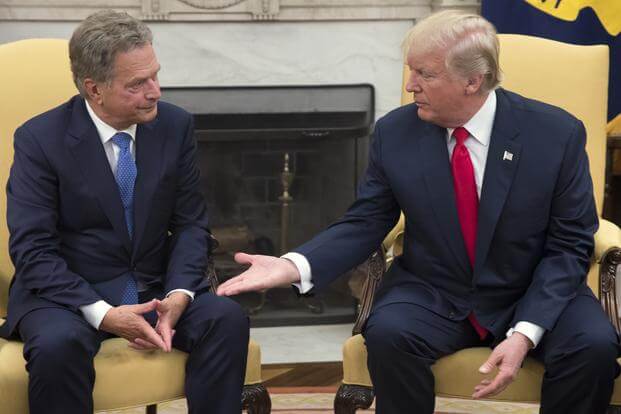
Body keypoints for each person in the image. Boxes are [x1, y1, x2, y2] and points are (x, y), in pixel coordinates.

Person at [217, 10, 620, 414]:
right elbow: (366, 220)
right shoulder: (395, 133)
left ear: (472, 81)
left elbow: (570, 243)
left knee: (594, 347)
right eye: (410, 71)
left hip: (531, 287)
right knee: (390, 334)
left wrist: (525, 332)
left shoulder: (555, 135)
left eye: (424, 74)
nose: (410, 86)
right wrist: (294, 265)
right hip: (434, 290)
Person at [3, 10, 248, 414]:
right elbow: (33, 251)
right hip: (67, 296)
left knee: (225, 319)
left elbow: (190, 224)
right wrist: (103, 314)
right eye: (138, 84)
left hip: (155, 287)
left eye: (155, 75)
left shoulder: (175, 126)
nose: (156, 91)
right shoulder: (40, 140)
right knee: (57, 345)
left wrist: (180, 294)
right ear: (94, 89)